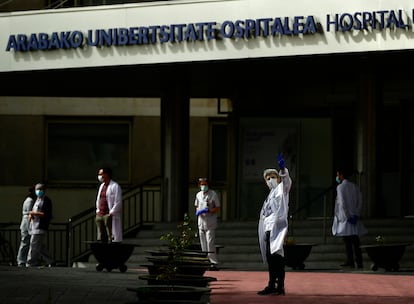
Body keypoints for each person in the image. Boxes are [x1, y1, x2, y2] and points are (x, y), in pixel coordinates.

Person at [257, 154, 292, 296]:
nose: (270, 179)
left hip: (277, 228)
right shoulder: (270, 194)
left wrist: (283, 169)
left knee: (277, 258)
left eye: (273, 176)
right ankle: (272, 284)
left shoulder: (282, 189)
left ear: (278, 178)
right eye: (267, 178)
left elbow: (287, 181)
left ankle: (279, 286)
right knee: (272, 259)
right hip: (268, 229)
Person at [332, 168, 367, 269]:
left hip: (345, 218)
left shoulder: (340, 187)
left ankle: (351, 261)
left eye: (338, 175)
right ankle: (359, 262)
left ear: (341, 175)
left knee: (347, 241)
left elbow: (342, 203)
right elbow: (360, 201)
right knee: (355, 241)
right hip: (354, 216)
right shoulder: (354, 186)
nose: (337, 177)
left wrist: (348, 216)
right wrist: (356, 214)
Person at [194, 177, 221, 270]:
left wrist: (210, 210)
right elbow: (196, 206)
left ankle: (213, 262)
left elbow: (217, 207)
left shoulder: (213, 194)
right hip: (201, 221)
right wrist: (198, 212)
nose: (203, 186)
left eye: (205, 184)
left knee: (210, 242)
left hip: (210, 221)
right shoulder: (198, 195)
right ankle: (205, 261)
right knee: (203, 243)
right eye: (201, 184)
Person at [26, 183, 55, 267]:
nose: (39, 191)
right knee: (40, 246)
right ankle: (50, 261)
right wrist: (32, 215)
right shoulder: (37, 199)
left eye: (40, 190)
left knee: (33, 244)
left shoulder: (46, 200)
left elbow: (45, 214)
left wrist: (34, 213)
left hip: (40, 226)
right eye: (37, 190)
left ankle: (31, 262)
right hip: (34, 226)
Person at [95, 167, 123, 243]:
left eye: (101, 174)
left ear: (106, 174)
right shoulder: (102, 186)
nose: (99, 176)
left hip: (109, 215)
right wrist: (98, 210)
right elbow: (98, 199)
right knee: (102, 235)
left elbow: (118, 202)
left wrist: (111, 212)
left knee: (111, 236)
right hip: (101, 214)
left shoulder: (115, 186)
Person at [16, 185, 36, 267]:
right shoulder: (30, 201)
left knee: (25, 242)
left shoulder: (28, 200)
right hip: (27, 222)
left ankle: (21, 260)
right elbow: (30, 213)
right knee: (26, 242)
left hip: (25, 222)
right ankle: (21, 260)